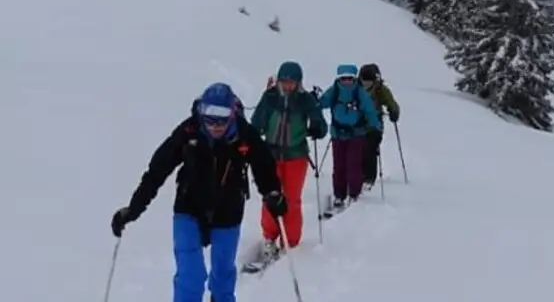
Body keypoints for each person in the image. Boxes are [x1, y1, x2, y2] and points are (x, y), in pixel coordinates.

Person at [110, 83, 287, 302]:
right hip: (189, 207)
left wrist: (272, 194)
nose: (215, 124)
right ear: (200, 110)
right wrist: (134, 208)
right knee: (190, 276)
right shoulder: (189, 131)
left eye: (222, 116)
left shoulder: (244, 134)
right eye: (209, 115)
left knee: (223, 277)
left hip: (228, 209)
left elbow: (264, 167)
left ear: (232, 113)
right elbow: (158, 169)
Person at [250, 62, 326, 253]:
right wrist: (254, 133)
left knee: (291, 199)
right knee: (270, 196)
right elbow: (257, 120)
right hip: (271, 155)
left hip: (296, 155)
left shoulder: (305, 100)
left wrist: (317, 127)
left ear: (299, 83)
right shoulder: (270, 97)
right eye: (284, 81)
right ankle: (269, 236)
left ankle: (290, 240)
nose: (288, 86)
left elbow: (319, 121)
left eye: (292, 82)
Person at [317, 64, 380, 211]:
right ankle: (339, 195)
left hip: (356, 134)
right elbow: (322, 103)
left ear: (354, 78)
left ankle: (354, 193)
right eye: (344, 78)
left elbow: (369, 109)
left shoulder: (360, 92)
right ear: (339, 78)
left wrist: (375, 126)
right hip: (338, 134)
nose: (347, 81)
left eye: (349, 78)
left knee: (353, 165)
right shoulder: (334, 90)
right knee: (339, 166)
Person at [356, 63, 401, 190]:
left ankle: (369, 178)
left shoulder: (381, 89)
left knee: (369, 149)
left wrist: (394, 112)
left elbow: (391, 103)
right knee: (356, 149)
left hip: (374, 126)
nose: (366, 85)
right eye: (364, 81)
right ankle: (355, 175)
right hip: (356, 125)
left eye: (369, 82)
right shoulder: (355, 88)